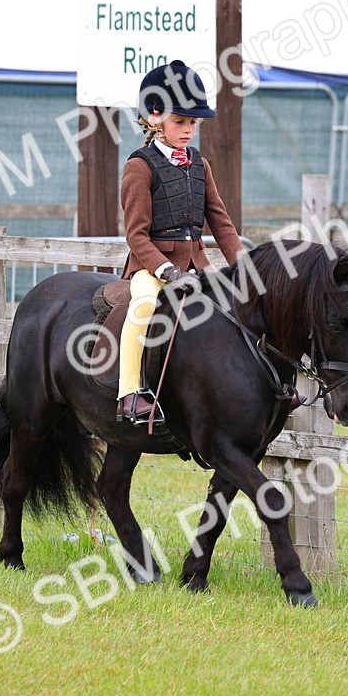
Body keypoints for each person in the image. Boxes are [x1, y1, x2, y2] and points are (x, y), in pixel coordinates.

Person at [116, 60, 245, 424]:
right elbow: (136, 235)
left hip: (198, 267)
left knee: (239, 305)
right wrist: (168, 272)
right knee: (142, 308)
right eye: (180, 121)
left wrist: (243, 264)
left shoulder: (200, 164)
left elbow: (220, 221)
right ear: (155, 119)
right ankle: (129, 393)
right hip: (152, 269)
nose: (188, 130)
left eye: (193, 122)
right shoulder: (139, 167)